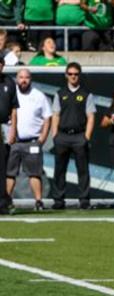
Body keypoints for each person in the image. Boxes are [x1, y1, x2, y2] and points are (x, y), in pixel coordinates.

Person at [51, 62, 97, 210]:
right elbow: (55, 115)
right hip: (62, 136)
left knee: (83, 170)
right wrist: (55, 135)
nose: (73, 77)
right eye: (70, 74)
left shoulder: (86, 95)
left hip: (79, 136)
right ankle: (58, 199)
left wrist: (86, 137)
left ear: (79, 75)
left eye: (76, 74)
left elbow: (91, 117)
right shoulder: (60, 94)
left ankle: (84, 200)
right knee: (59, 170)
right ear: (66, 75)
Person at [6, 69, 51, 211]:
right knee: (10, 173)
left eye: (26, 77)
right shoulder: (11, 94)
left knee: (34, 173)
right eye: (21, 77)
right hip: (14, 141)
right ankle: (6, 201)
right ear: (16, 79)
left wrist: (42, 138)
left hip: (32, 141)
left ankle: (38, 201)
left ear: (31, 79)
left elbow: (47, 117)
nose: (23, 80)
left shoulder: (39, 96)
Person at [0, 57, 18, 215]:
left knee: (3, 166)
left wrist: (13, 130)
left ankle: (2, 202)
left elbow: (14, 108)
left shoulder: (9, 82)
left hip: (3, 126)